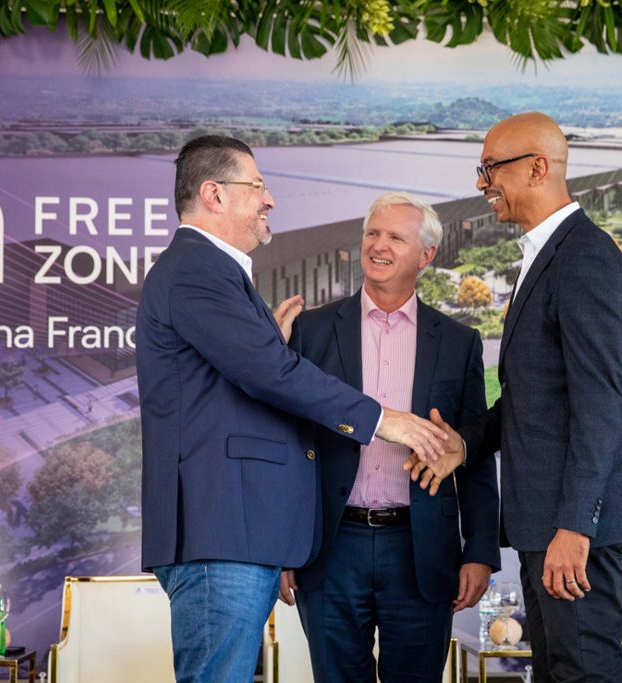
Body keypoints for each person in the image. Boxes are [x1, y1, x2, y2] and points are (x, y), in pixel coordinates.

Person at [135, 136, 446, 683]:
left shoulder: (211, 271)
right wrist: (384, 419)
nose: (269, 199)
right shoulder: (197, 269)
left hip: (234, 534)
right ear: (214, 194)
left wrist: (267, 347)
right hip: (219, 533)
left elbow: (246, 371)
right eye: (257, 186)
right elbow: (270, 375)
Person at [410, 112, 622, 682]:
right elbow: (534, 398)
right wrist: (464, 445)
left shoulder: (584, 257)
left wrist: (576, 526)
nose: (481, 183)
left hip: (574, 533)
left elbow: (602, 402)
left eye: (490, 167)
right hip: (548, 527)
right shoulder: (549, 255)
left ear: (538, 168)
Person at [277, 192, 501, 683]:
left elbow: (475, 451)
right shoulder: (311, 331)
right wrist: (283, 548)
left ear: (426, 255)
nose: (378, 246)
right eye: (372, 234)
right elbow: (290, 445)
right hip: (331, 549)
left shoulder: (458, 342)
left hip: (421, 549)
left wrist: (481, 551)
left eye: (395, 237)